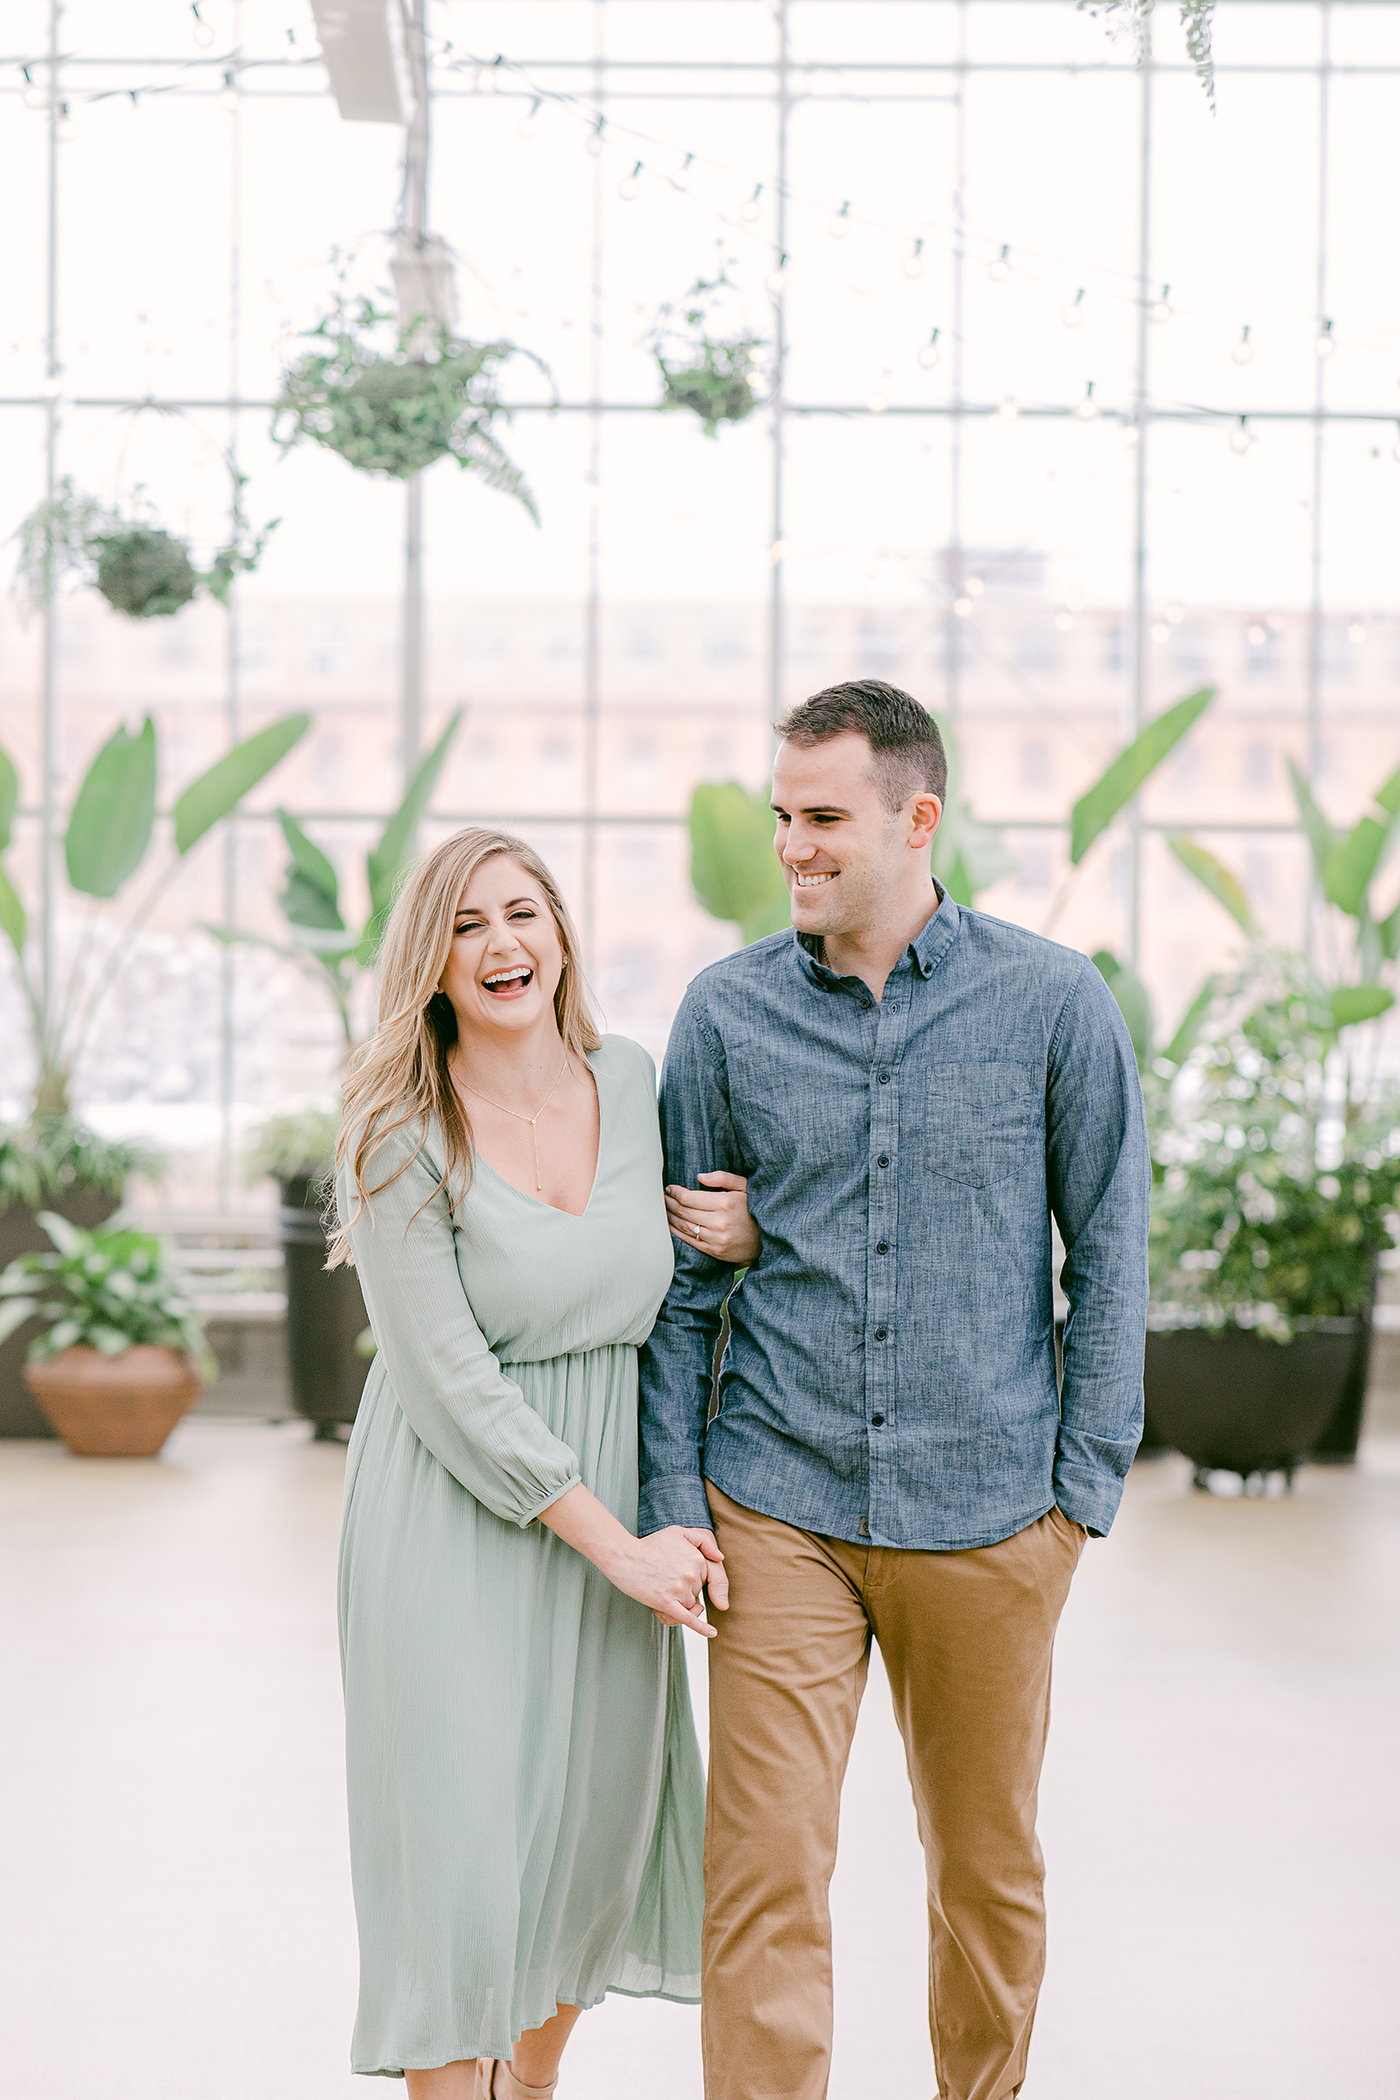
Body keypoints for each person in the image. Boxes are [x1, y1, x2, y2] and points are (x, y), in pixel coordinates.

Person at [640, 681, 1151, 2100]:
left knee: (986, 1879)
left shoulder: (1053, 1004)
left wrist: (1077, 1499)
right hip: (778, 1504)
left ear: (919, 818)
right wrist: (680, 1502)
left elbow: (1110, 1253)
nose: (793, 846)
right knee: (764, 1876)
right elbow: (684, 1283)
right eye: (782, 817)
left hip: (991, 1511)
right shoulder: (727, 1014)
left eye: (824, 818)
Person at [330, 826, 756, 2097]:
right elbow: (448, 1383)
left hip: (610, 1513)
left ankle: (529, 2085)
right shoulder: (397, 1128)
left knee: (590, 1849)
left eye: (521, 914)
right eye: (464, 926)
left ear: (561, 934)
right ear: (431, 962)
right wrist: (618, 1545)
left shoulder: (630, 1080)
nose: (500, 945)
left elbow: (667, 1279)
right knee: (459, 1873)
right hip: (456, 1519)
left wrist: (738, 1237)